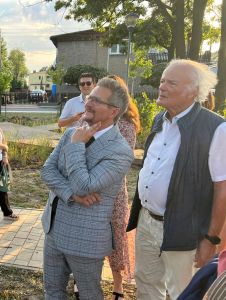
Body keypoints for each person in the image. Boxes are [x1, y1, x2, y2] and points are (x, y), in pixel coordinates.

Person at [127, 59, 226, 300]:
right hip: (148, 221)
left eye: (171, 82)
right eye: (162, 81)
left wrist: (211, 240)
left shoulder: (216, 128)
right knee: (146, 284)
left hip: (186, 231)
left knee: (183, 292)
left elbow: (222, 188)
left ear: (194, 91)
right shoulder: (160, 119)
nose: (162, 86)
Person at [41, 77, 134, 299]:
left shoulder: (120, 151)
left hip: (85, 240)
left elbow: (85, 186)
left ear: (114, 111)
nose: (88, 102)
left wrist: (77, 145)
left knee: (89, 295)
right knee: (52, 291)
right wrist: (71, 194)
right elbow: (47, 171)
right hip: (53, 231)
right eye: (89, 97)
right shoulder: (73, 131)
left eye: (96, 100)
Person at [106, 75, 141, 300]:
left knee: (116, 238)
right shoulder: (94, 119)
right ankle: (82, 279)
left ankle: (118, 286)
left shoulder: (127, 124)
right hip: (90, 190)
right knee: (90, 236)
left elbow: (119, 160)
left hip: (114, 192)